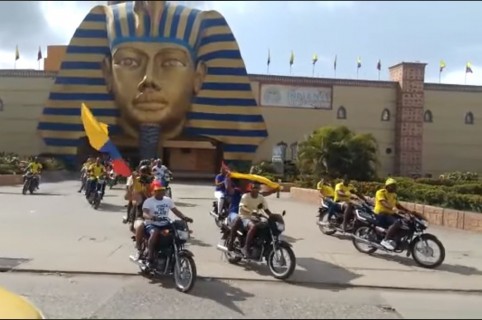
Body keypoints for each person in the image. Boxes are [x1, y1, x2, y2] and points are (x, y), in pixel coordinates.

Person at [135, 180, 193, 267]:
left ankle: (174, 251)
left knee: (179, 229)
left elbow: (175, 210)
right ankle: (150, 256)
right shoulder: (149, 201)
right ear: (153, 192)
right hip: (152, 224)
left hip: (165, 223)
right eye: (157, 190)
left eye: (162, 190)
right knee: (154, 233)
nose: (160, 192)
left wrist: (184, 217)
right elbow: (145, 213)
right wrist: (152, 217)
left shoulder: (168, 200)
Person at [228, 182, 272, 258]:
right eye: (254, 187)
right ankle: (246, 248)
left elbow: (266, 209)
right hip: (244, 217)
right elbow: (243, 207)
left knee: (266, 227)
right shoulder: (245, 196)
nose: (255, 189)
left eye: (257, 188)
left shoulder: (261, 197)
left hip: (255, 218)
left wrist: (273, 216)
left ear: (259, 189)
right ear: (251, 188)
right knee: (253, 226)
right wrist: (252, 212)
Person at [374, 178, 415, 250]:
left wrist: (408, 211)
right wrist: (394, 208)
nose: (394, 187)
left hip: (390, 214)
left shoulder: (394, 195)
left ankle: (396, 239)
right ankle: (385, 240)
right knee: (398, 222)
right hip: (381, 214)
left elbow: (398, 205)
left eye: (395, 185)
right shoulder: (381, 192)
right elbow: (383, 202)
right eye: (392, 186)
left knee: (406, 222)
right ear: (387, 186)